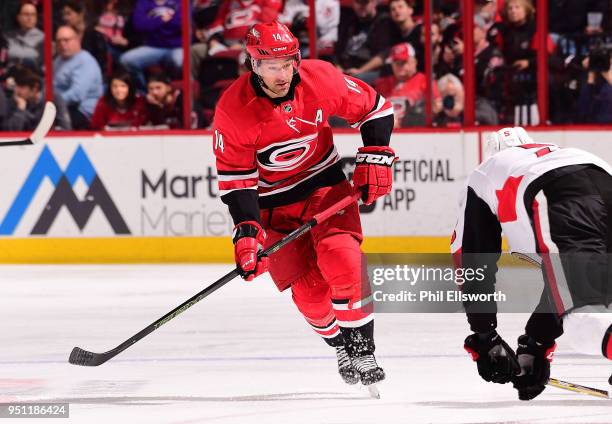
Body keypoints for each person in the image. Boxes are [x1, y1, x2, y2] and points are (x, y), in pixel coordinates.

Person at [212, 21, 395, 387]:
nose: (282, 74)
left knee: (342, 260)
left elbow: (375, 107)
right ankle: (339, 343)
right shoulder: (233, 110)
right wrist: (247, 233)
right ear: (253, 65)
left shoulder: (319, 78)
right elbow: (238, 181)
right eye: (271, 66)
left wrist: (376, 154)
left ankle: (362, 348)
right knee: (311, 295)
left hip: (325, 191)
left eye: (287, 63)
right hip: (273, 209)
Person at [451, 127, 612, 400]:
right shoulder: (560, 153)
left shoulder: (485, 172)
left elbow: (473, 262)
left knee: (583, 323)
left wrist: (484, 335)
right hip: (605, 183)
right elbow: (562, 283)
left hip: (556, 196)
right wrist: (536, 341)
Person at [120, 0, 185, 91]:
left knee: (179, 60)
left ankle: (173, 93)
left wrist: (152, 24)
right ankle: (145, 93)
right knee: (126, 60)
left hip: (177, 46)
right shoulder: (144, 2)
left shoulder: (180, 2)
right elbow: (139, 24)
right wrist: (161, 20)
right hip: (153, 46)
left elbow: (181, 23)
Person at [374, 42, 441, 127]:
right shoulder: (381, 84)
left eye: (403, 62)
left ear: (414, 62)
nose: (399, 66)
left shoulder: (426, 81)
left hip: (415, 132)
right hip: (386, 134)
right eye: (396, 62)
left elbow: (437, 106)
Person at [53, 25, 103, 129]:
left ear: (77, 40)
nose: (62, 44)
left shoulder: (85, 61)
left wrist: (53, 103)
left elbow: (77, 94)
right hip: (62, 107)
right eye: (59, 41)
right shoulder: (58, 60)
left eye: (66, 40)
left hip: (82, 111)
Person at [5, 67, 71, 131]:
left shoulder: (54, 99)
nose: (17, 91)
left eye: (22, 87)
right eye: (16, 86)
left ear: (35, 88)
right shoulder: (17, 100)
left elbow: (65, 128)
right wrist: (20, 111)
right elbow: (10, 131)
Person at [61, 0, 109, 75]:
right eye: (64, 14)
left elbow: (101, 63)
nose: (65, 18)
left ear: (81, 14)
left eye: (69, 14)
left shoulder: (95, 36)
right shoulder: (64, 36)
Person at [5, 2, 44, 71]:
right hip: (8, 77)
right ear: (18, 17)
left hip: (33, 77)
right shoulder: (7, 37)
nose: (30, 18)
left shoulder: (43, 38)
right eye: (26, 14)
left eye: (33, 15)